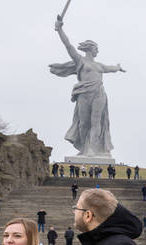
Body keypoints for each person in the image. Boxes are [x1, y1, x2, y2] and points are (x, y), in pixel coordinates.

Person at [49, 17, 125, 157]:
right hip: (84, 94)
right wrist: (60, 29)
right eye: (96, 48)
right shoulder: (80, 61)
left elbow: (111, 68)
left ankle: (91, 149)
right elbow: (68, 46)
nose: (97, 51)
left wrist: (118, 67)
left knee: (96, 122)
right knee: (83, 123)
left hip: (98, 93)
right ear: (90, 49)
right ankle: (84, 147)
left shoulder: (99, 66)